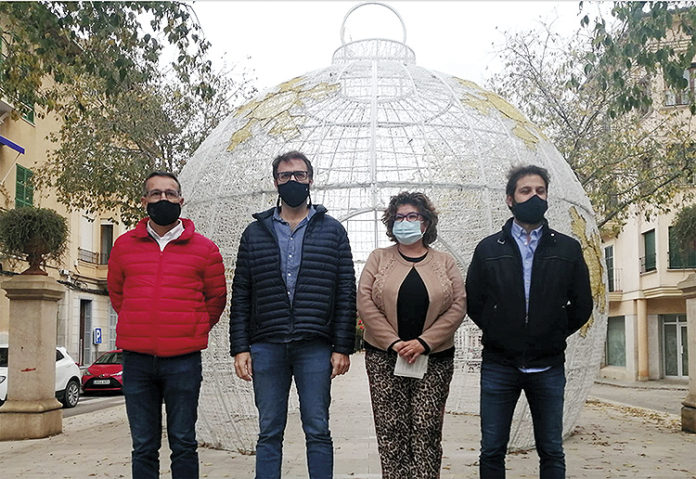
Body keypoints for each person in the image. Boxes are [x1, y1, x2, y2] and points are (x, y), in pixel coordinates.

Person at [229, 151, 356, 479]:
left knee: (318, 429)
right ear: (275, 182)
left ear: (310, 179)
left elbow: (345, 292)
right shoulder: (254, 233)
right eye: (285, 176)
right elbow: (241, 293)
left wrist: (342, 347)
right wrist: (240, 347)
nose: (293, 181)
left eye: (299, 175)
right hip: (266, 345)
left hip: (314, 345)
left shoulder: (333, 231)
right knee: (269, 431)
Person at [465, 165, 593, 479]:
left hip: (548, 365)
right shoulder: (487, 249)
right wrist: (499, 328)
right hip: (499, 365)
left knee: (551, 450)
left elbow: (582, 305)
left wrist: (552, 331)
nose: (534, 197)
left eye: (540, 191)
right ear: (510, 199)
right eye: (526, 191)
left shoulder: (567, 248)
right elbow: (474, 301)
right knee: (492, 449)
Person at [107, 171, 227, 479]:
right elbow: (117, 294)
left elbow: (216, 298)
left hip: (184, 361)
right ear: (144, 201)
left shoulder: (205, 249)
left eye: (170, 194)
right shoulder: (123, 246)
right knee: (143, 445)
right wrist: (141, 323)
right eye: (156, 193)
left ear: (181, 200)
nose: (164, 199)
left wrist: (193, 328)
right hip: (137, 360)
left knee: (184, 443)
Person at [357, 191, 466, 479]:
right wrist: (393, 343)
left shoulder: (445, 262)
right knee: (390, 430)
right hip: (384, 358)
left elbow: (458, 305)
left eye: (412, 216)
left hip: (434, 358)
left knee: (426, 429)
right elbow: (364, 301)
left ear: (425, 222)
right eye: (399, 217)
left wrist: (423, 342)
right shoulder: (379, 258)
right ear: (391, 224)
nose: (405, 222)